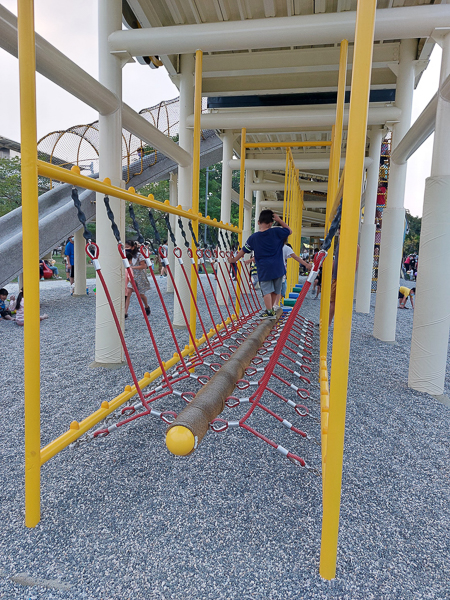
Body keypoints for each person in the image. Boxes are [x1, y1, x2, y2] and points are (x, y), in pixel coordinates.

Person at [228, 209, 291, 319]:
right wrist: (279, 220)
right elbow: (289, 231)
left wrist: (234, 260)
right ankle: (271, 309)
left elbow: (244, 250)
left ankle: (269, 311)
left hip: (264, 268)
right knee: (276, 290)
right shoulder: (276, 232)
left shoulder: (254, 237)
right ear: (271, 223)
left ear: (258, 222)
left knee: (266, 290)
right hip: (278, 268)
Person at [329, 234, 360, 325]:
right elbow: (335, 260)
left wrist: (350, 277)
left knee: (341, 302)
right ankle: (330, 322)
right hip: (336, 276)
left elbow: (356, 262)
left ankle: (340, 323)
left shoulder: (355, 246)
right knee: (333, 301)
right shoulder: (339, 243)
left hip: (345, 278)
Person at [125, 242, 151, 318]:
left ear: (133, 247)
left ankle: (146, 306)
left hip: (138, 277)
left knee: (141, 294)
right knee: (128, 293)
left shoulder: (139, 255)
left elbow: (143, 266)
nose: (126, 248)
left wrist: (132, 267)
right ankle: (125, 312)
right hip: (130, 276)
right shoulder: (125, 255)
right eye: (125, 247)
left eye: (128, 247)